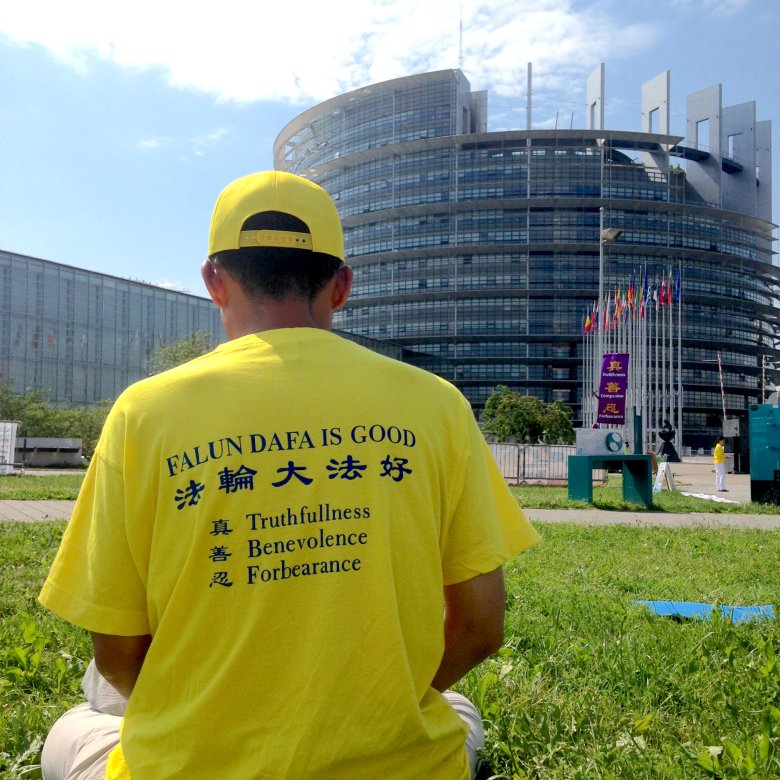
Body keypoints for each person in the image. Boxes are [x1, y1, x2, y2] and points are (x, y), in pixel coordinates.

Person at [38, 171, 540, 780]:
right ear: (342, 285)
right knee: (456, 709)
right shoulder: (436, 405)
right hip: (399, 766)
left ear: (214, 281)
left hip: (193, 766)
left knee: (73, 727)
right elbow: (482, 628)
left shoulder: (144, 413)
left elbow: (116, 649)